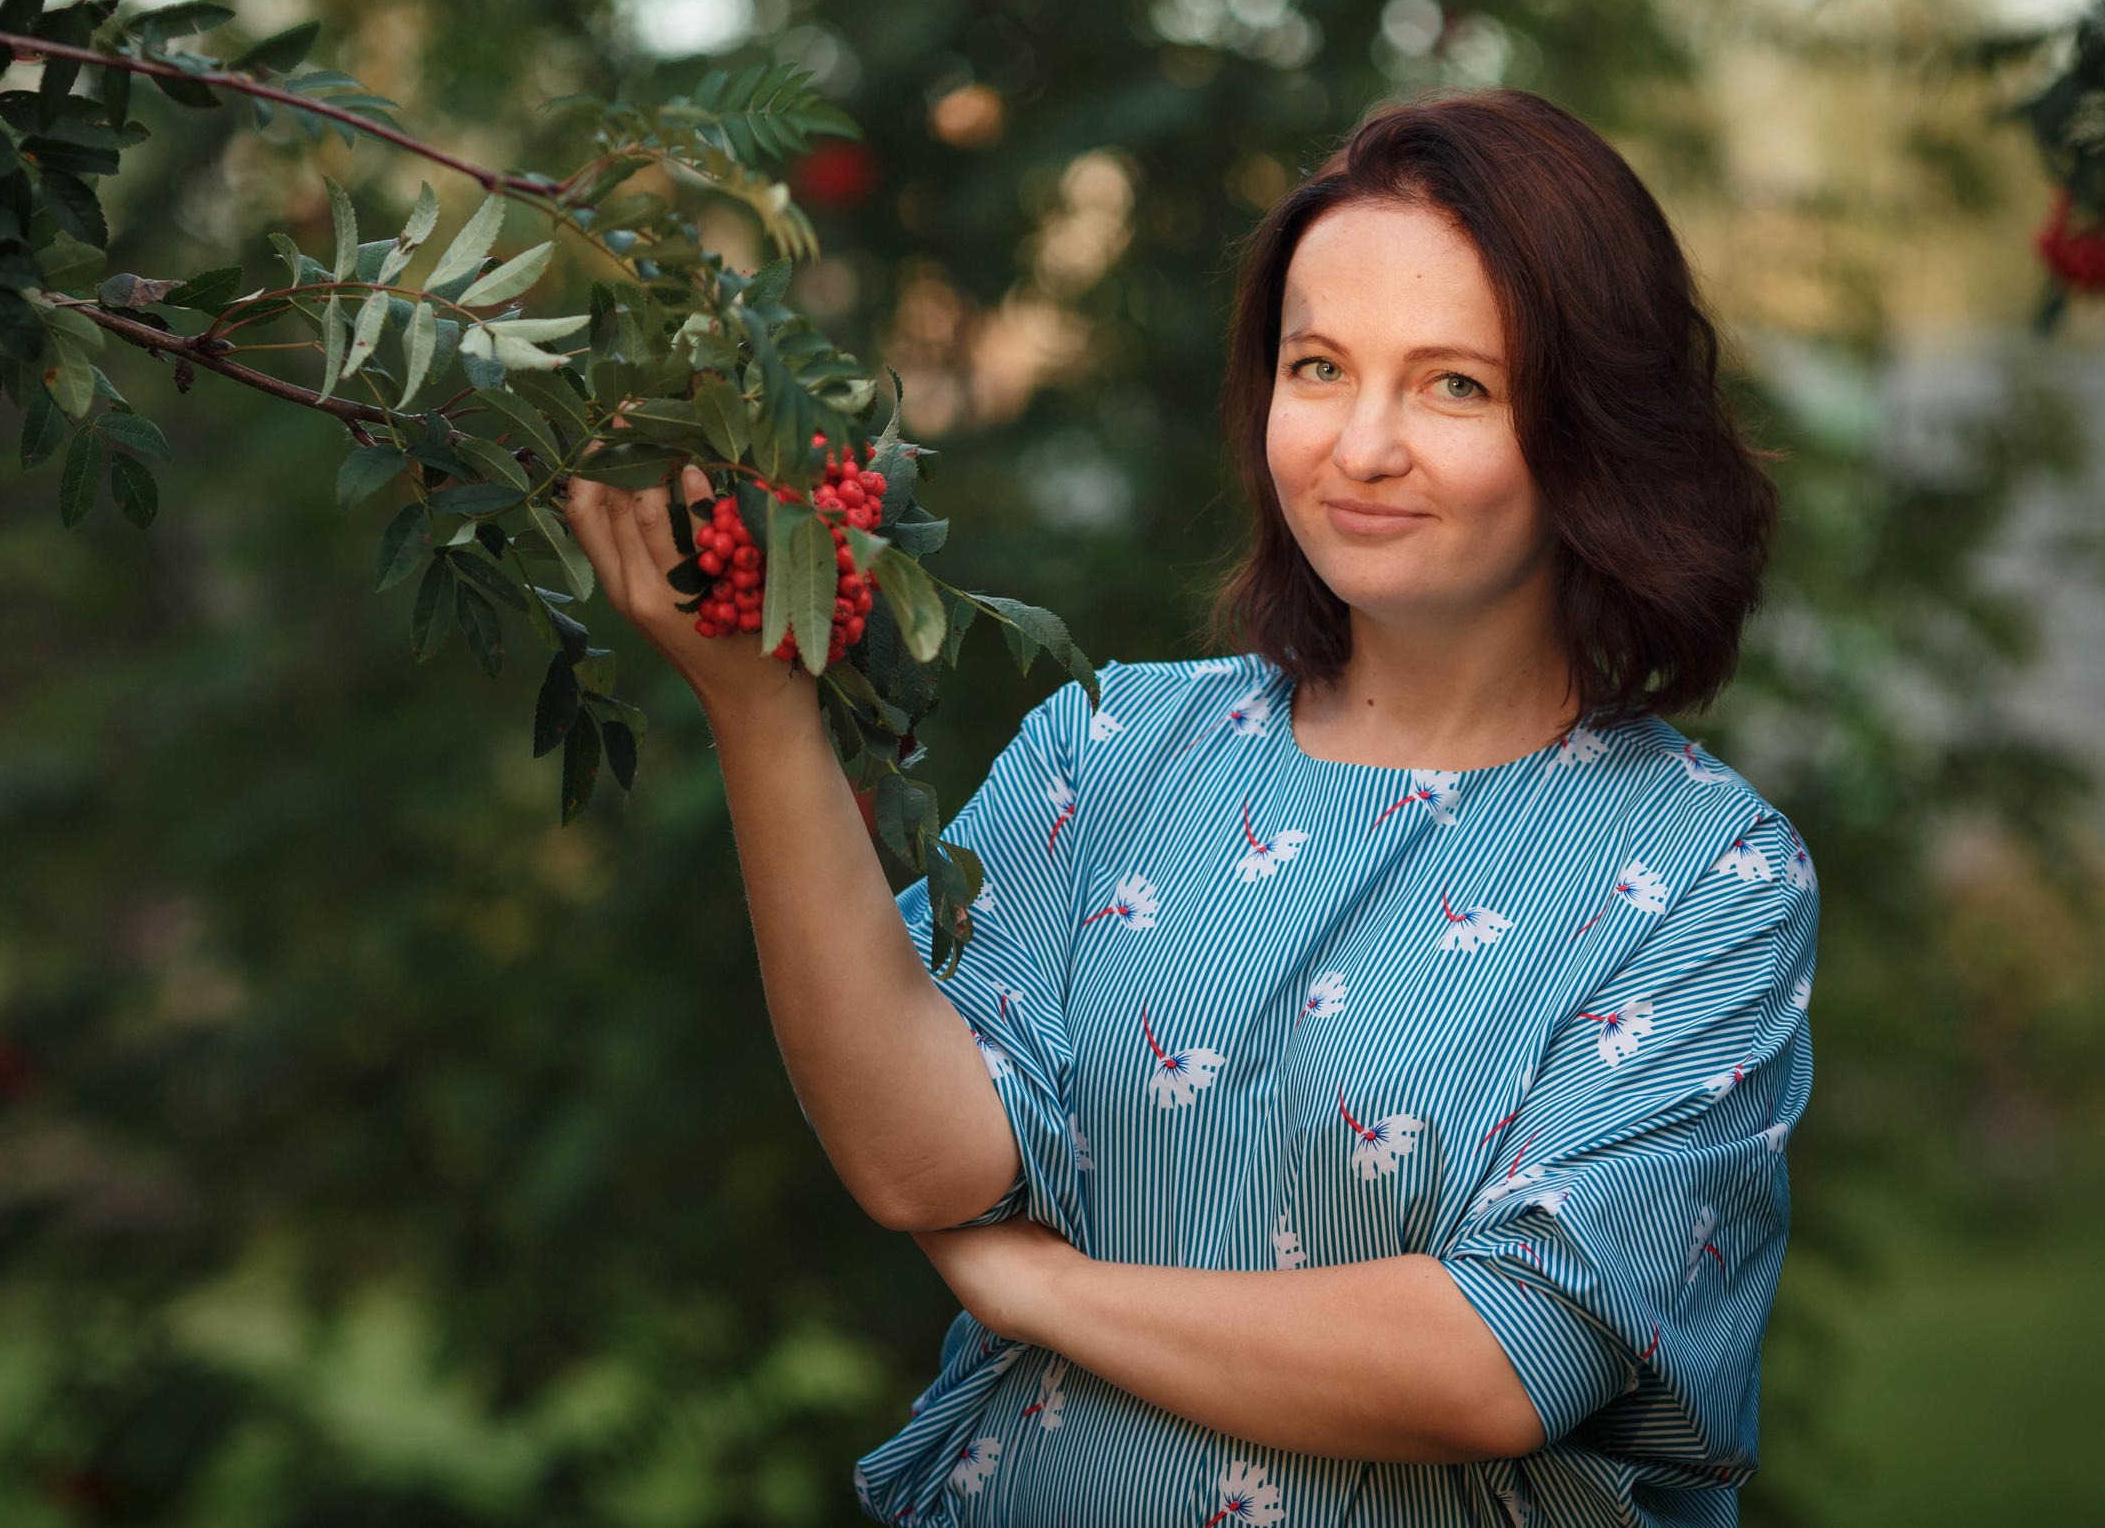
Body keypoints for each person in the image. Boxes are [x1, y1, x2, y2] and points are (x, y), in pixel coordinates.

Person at [563, 89, 1812, 1527]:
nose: (1362, 446)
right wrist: (759, 711)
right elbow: (928, 1159)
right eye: (1320, 367)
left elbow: (1492, 1364)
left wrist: (1047, 1287)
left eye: (1457, 384)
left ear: (1595, 425)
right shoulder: (1117, 745)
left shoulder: (1711, 872)